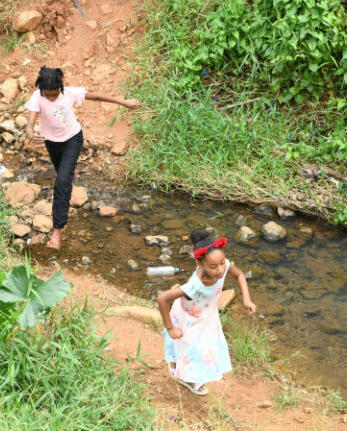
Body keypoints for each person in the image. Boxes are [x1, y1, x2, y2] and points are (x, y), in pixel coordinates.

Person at [25, 66, 141, 249]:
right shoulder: (37, 96)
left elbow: (96, 96)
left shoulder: (70, 93)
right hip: (51, 142)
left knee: (62, 181)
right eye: (48, 95)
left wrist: (124, 102)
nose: (51, 97)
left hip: (73, 139)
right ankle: (69, 175)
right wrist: (30, 133)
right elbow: (30, 122)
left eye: (54, 94)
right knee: (63, 173)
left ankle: (57, 231)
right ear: (41, 90)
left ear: (60, 87)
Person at [156, 231, 257, 395]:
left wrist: (247, 299)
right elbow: (162, 298)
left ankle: (176, 366)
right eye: (213, 266)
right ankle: (187, 379)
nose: (220, 269)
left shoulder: (222, 267)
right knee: (193, 348)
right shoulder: (195, 285)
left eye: (222, 262)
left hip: (207, 315)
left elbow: (238, 274)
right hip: (189, 317)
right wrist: (170, 328)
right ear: (199, 264)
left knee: (201, 348)